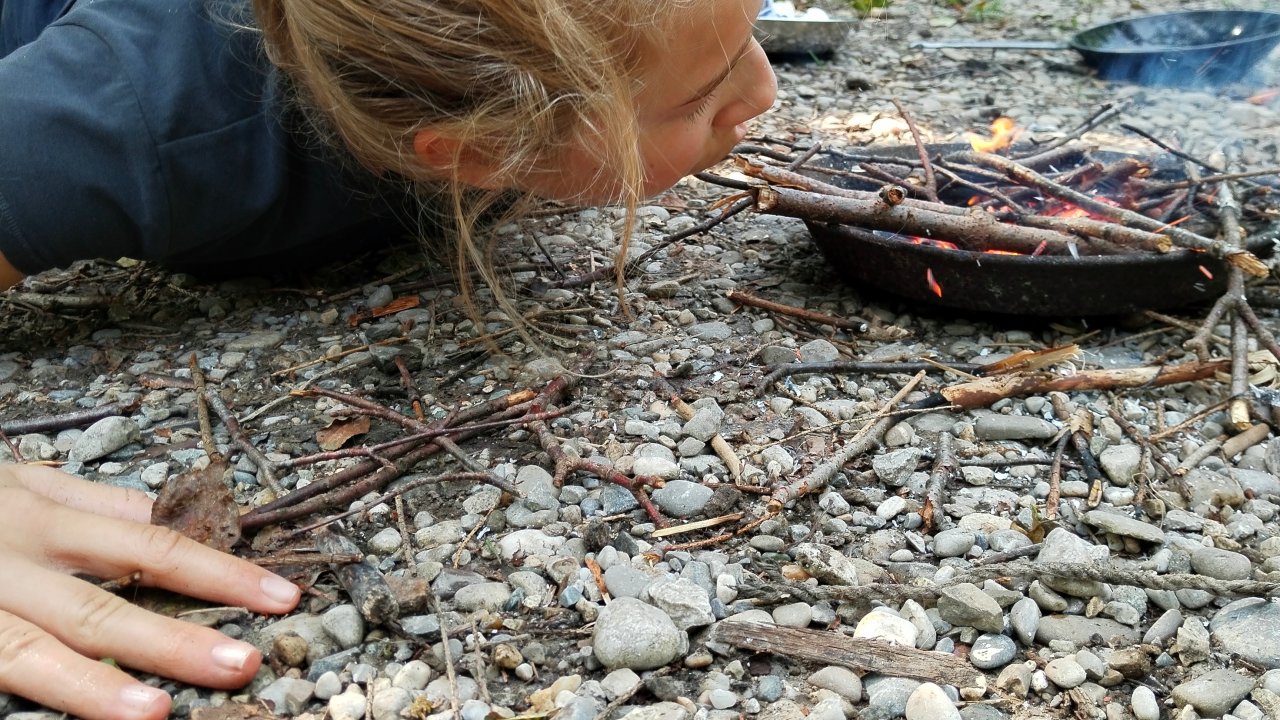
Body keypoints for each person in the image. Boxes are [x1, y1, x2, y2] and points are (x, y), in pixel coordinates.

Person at [0, 0, 778, 717]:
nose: (767, 90)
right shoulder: (141, 112)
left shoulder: (485, 90)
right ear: (478, 150)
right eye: (705, 93)